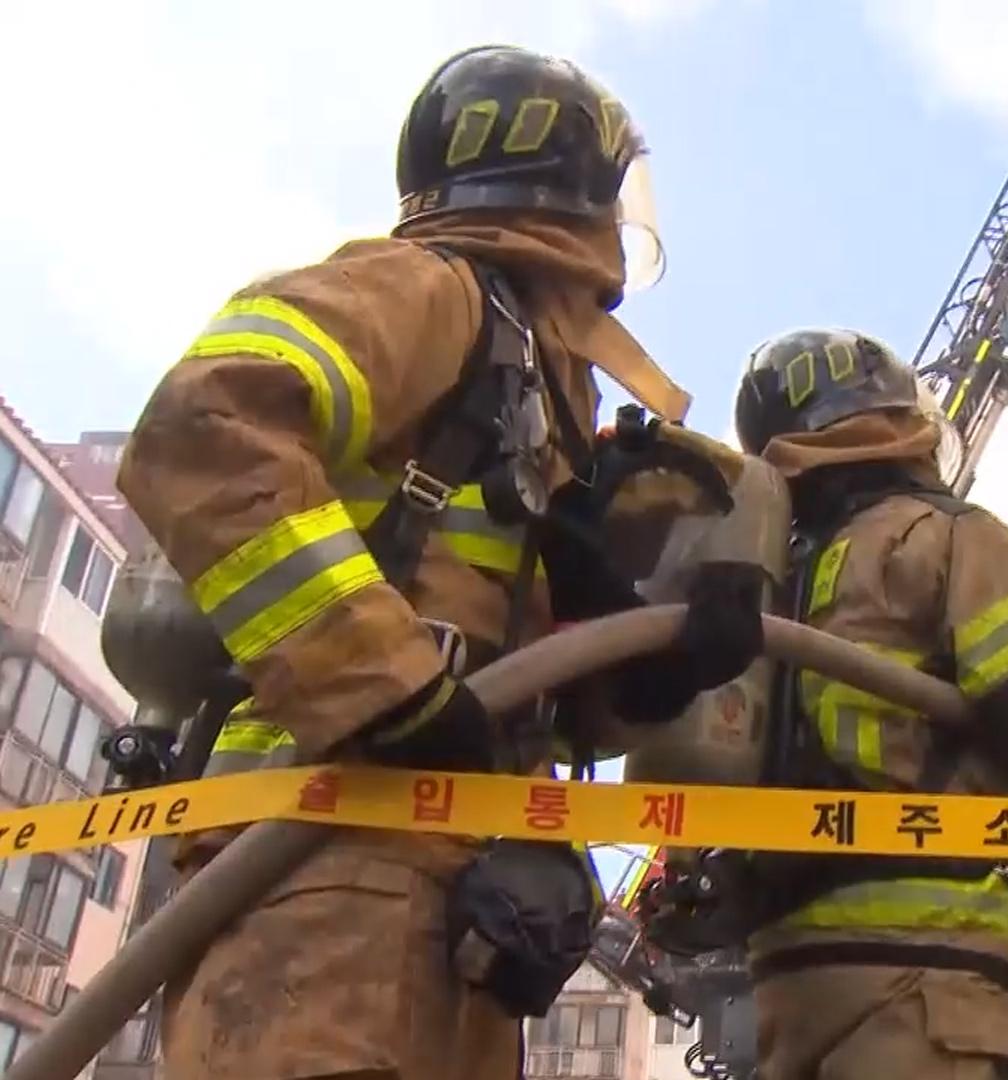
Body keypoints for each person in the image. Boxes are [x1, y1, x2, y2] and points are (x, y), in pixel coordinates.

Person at [117, 44, 762, 1080]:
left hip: (453, 881)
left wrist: (662, 668)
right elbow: (205, 425)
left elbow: (508, 667)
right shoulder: (423, 289)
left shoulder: (537, 381)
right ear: (562, 191)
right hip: (327, 848)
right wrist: (389, 690)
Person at [729, 327, 1008, 1080]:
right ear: (901, 418)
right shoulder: (945, 539)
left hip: (788, 992)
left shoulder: (766, 575)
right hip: (926, 995)